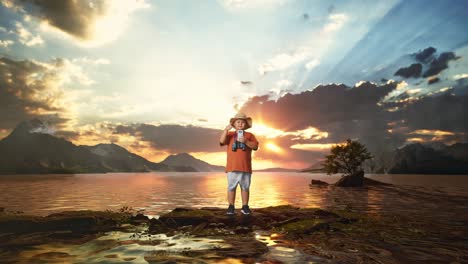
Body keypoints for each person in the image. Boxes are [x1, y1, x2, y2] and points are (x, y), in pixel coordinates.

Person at [219, 112, 259, 215]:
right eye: (238, 121)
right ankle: (231, 206)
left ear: (246, 124)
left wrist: (246, 142)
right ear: (234, 124)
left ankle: (245, 206)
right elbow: (221, 141)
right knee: (231, 187)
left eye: (243, 122)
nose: (240, 124)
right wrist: (225, 130)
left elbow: (255, 147)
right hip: (232, 167)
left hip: (245, 167)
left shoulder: (250, 135)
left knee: (245, 187)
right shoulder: (230, 135)